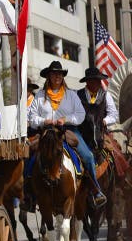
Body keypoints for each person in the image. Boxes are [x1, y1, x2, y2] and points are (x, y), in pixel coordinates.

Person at [28, 60, 107, 207]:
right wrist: (44, 121)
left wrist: (66, 119)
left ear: (62, 76)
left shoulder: (71, 95)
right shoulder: (40, 95)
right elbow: (32, 118)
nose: (57, 76)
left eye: (60, 73)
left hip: (69, 131)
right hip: (47, 132)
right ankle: (29, 194)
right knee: (31, 156)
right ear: (49, 76)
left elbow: (80, 114)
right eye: (54, 73)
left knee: (88, 157)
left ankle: (96, 191)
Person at [77, 66, 128, 177]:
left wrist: (105, 120)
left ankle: (119, 180)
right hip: (82, 134)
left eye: (99, 80)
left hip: (101, 133)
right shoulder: (78, 95)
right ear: (88, 82)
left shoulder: (106, 95)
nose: (98, 82)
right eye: (95, 80)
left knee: (117, 155)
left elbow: (113, 115)